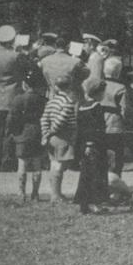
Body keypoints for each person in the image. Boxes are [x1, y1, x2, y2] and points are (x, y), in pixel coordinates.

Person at [8, 69, 47, 202]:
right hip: (38, 133)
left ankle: (21, 192)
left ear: (25, 84)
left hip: (22, 134)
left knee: (22, 164)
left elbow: (12, 118)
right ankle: (35, 193)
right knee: (37, 164)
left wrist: (13, 132)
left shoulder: (18, 99)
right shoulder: (43, 100)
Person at [40, 74, 77, 203]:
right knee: (59, 166)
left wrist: (45, 133)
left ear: (56, 87)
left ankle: (56, 193)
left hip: (52, 137)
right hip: (62, 136)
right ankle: (55, 195)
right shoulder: (68, 102)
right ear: (70, 87)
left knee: (54, 164)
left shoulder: (51, 101)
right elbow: (61, 121)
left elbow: (44, 118)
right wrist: (51, 132)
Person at [76, 78, 110, 214]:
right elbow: (95, 128)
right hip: (95, 145)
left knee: (85, 174)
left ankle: (84, 204)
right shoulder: (96, 107)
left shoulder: (81, 106)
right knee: (97, 174)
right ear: (98, 92)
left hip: (84, 145)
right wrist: (91, 143)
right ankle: (96, 203)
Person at [0, 24, 30, 171]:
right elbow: (26, 73)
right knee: (9, 132)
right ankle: (6, 161)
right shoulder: (16, 56)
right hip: (12, 97)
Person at [99, 46, 129, 180]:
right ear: (118, 72)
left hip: (99, 123)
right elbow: (125, 109)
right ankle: (115, 184)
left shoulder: (98, 85)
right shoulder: (121, 88)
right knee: (116, 157)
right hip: (115, 124)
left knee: (101, 155)